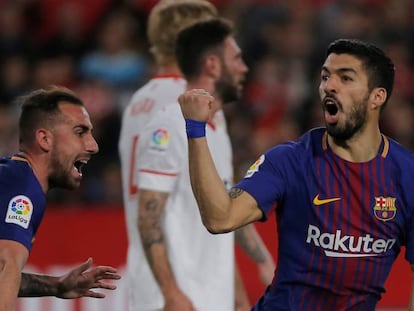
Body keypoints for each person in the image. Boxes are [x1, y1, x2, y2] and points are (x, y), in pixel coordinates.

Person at [178, 38, 414, 310]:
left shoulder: (406, 176)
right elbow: (220, 218)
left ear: (377, 97)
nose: (329, 86)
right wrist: (196, 130)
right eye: (325, 77)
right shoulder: (290, 161)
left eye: (346, 78)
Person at [118, 2, 274, 310]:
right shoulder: (185, 106)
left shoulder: (139, 101)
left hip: (173, 282)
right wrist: (171, 291)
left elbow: (214, 203)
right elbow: (158, 209)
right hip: (176, 287)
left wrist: (237, 290)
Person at [0, 86, 121, 311]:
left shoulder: (12, 178)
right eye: (80, 131)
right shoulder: (24, 188)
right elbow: (5, 266)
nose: (93, 145)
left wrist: (56, 286)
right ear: (45, 139)